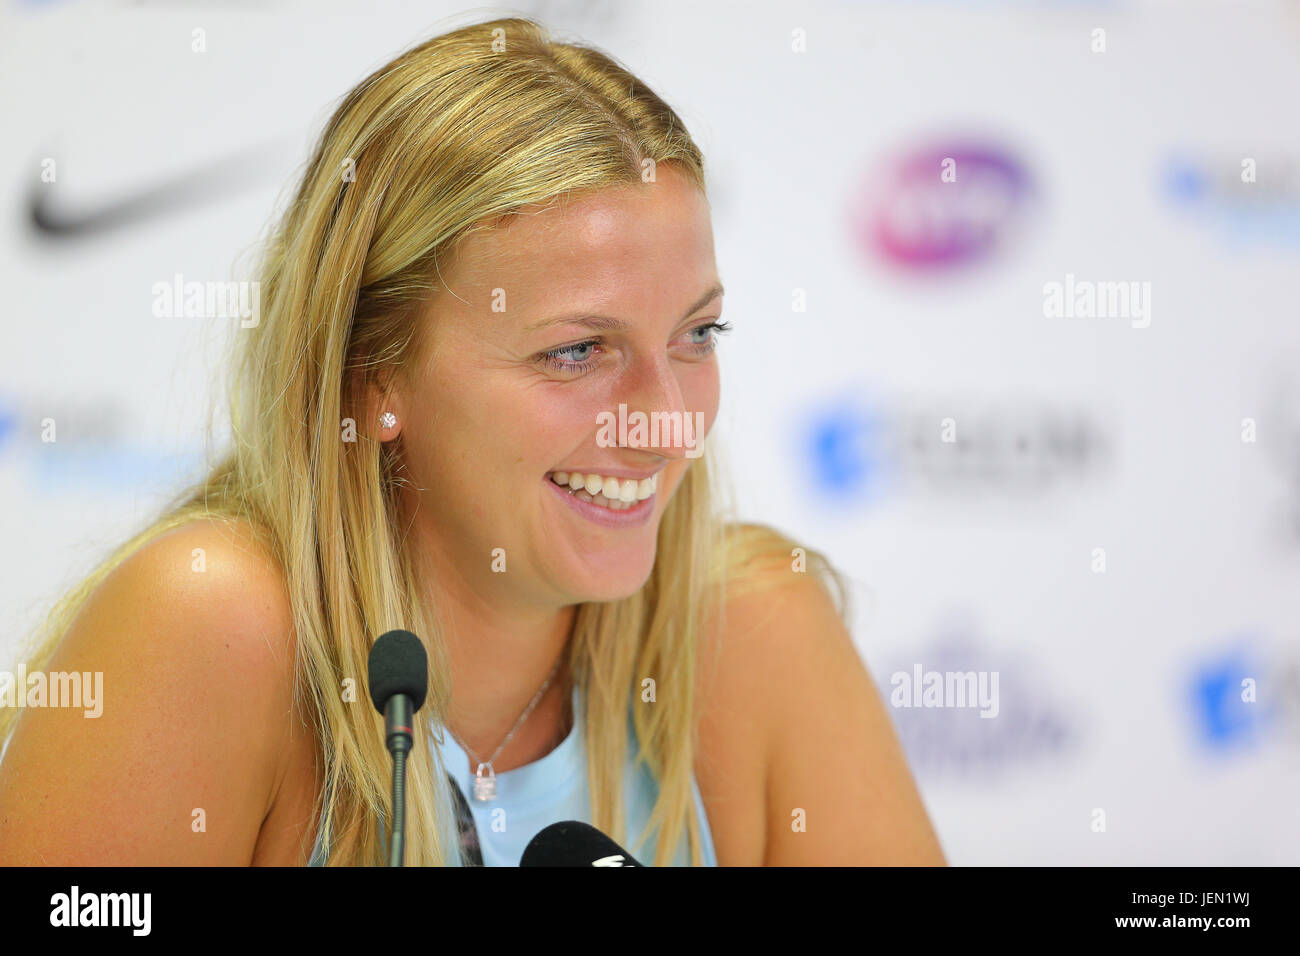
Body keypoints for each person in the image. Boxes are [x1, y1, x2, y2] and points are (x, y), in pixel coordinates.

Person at [0, 15, 945, 866]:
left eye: (698, 335)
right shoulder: (214, 623)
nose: (665, 421)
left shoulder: (755, 632)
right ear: (373, 376)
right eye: (578, 351)